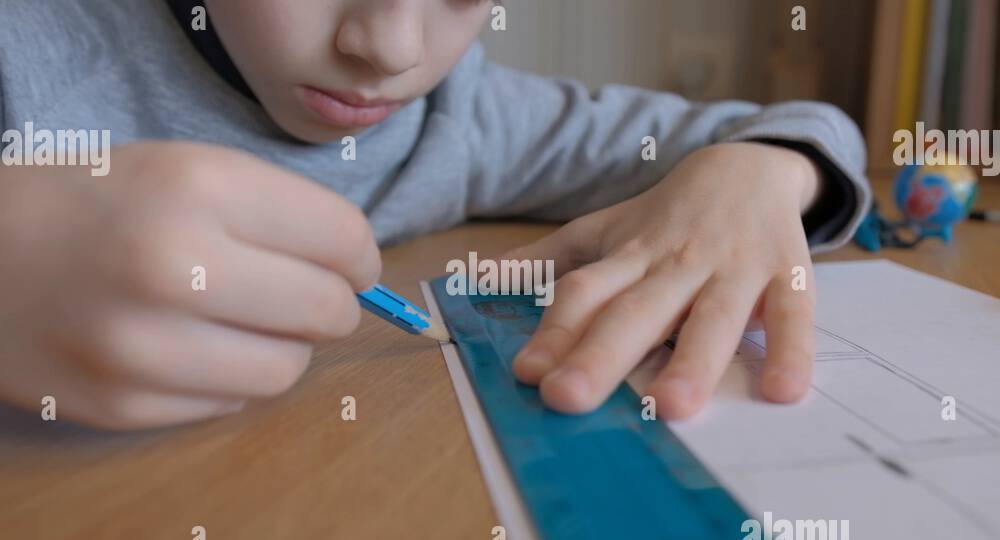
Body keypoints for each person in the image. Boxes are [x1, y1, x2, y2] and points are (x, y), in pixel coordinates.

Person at [0, 0, 871, 430]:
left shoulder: (462, 114)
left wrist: (754, 177)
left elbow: (780, 129)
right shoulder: (33, 54)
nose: (391, 48)